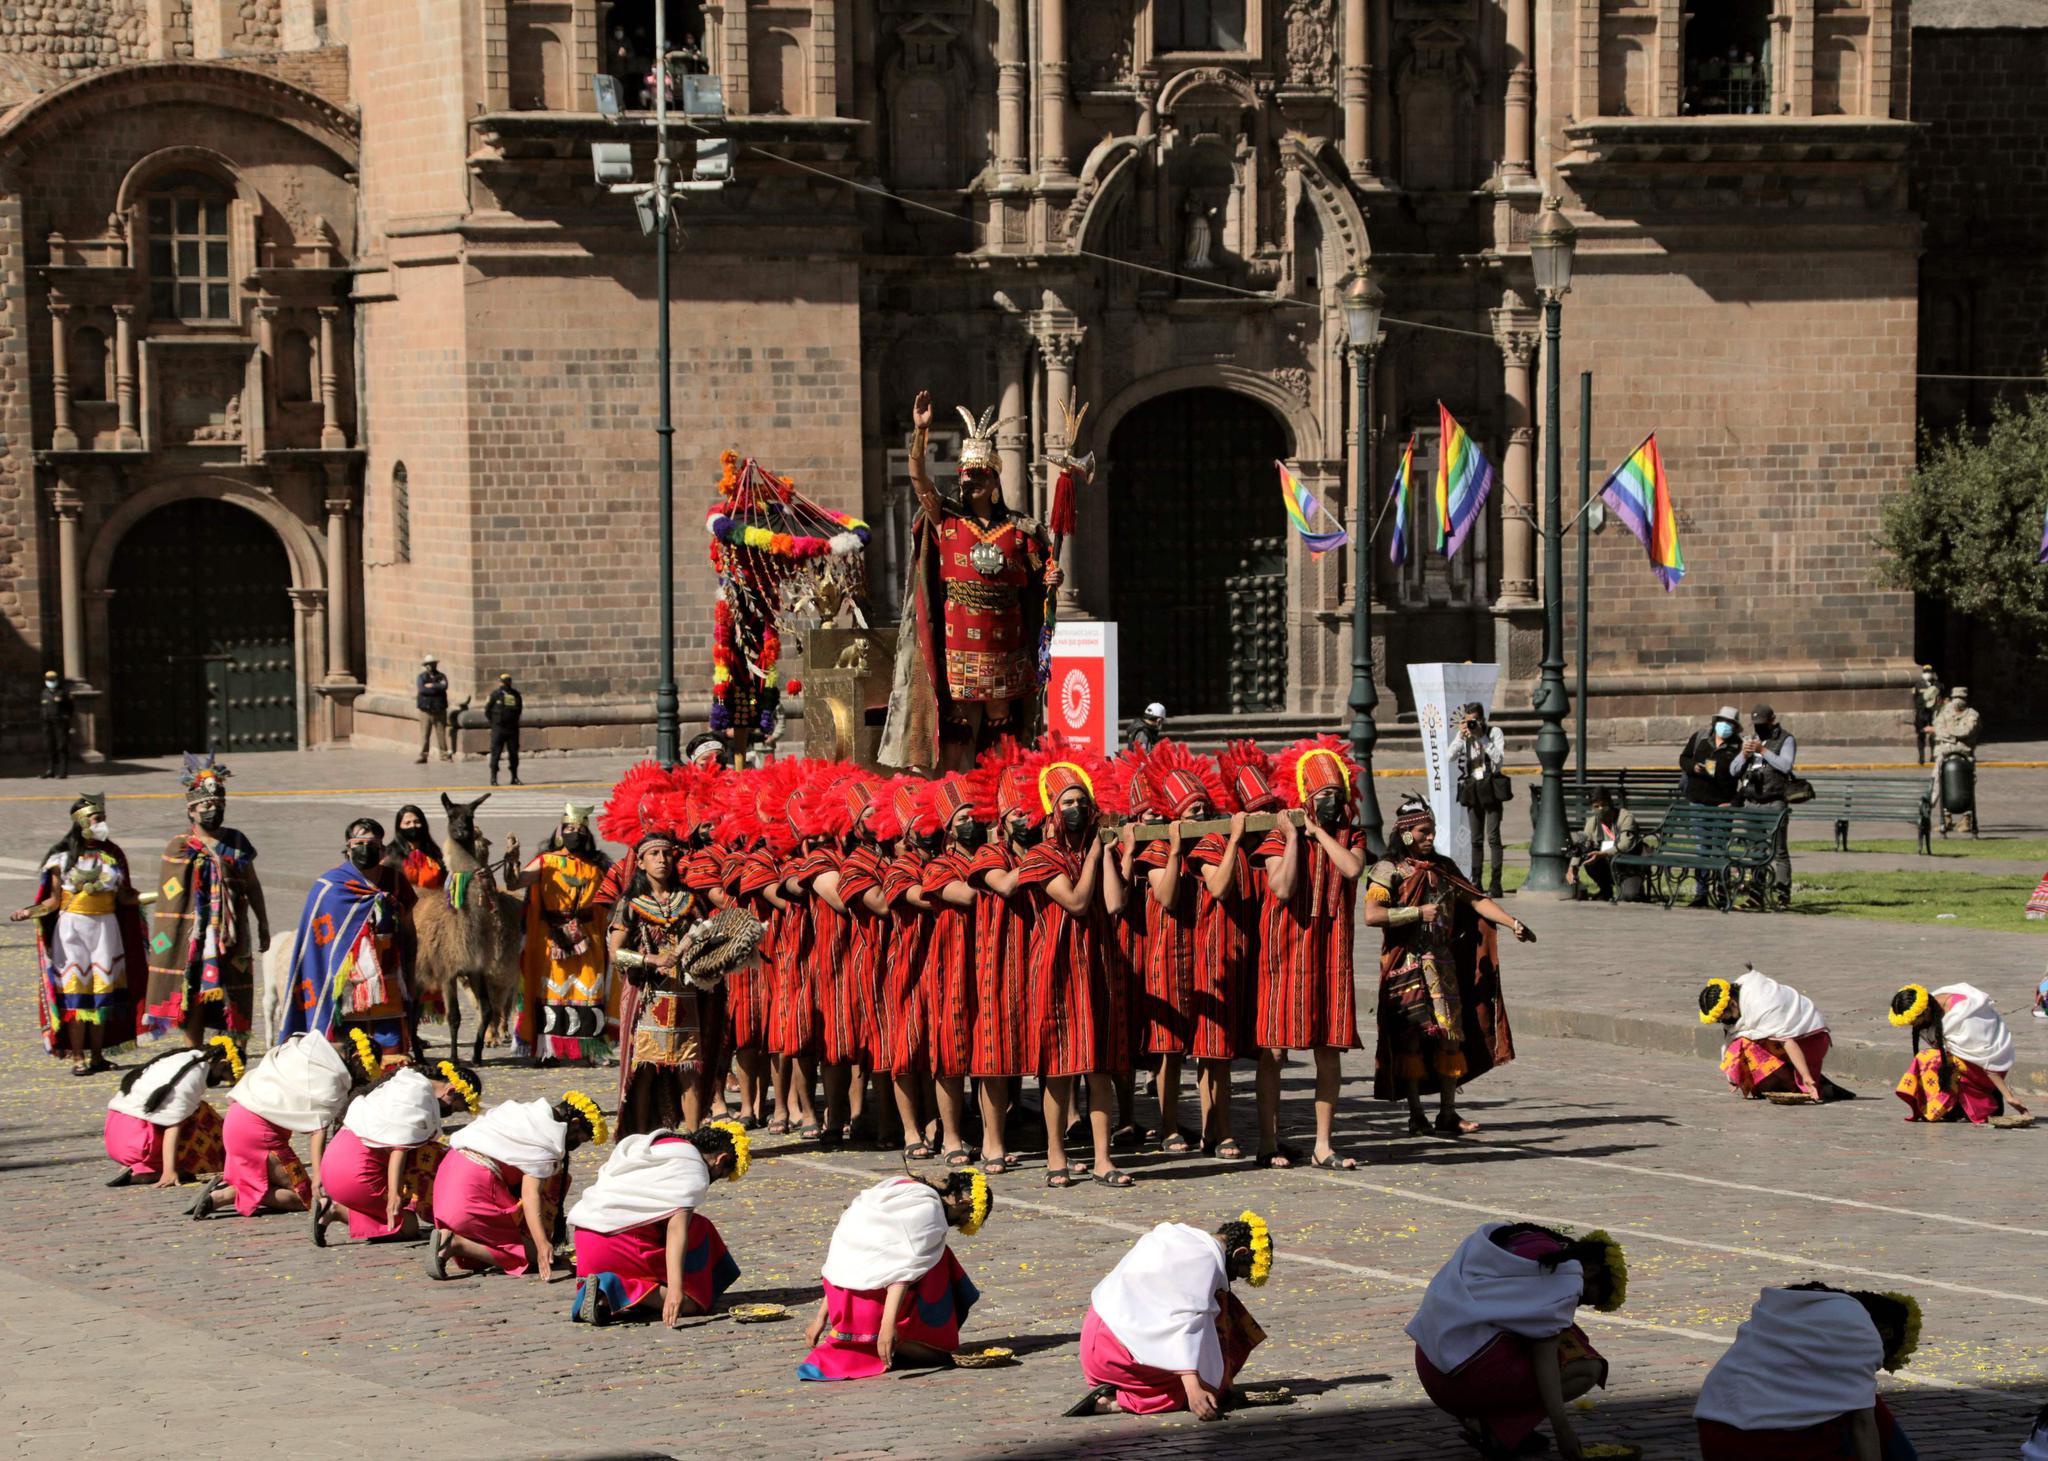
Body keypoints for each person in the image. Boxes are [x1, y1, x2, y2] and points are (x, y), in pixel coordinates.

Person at [878, 389, 1065, 772]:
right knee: (959, 734)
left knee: (1003, 739)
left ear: (995, 480)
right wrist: (920, 432)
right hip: (958, 642)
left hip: (1006, 647)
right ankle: (958, 811)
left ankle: (1001, 810)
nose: (969, 482)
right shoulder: (945, 519)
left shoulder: (1019, 532)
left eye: (978, 475)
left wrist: (1053, 576)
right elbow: (917, 478)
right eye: (964, 476)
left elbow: (1039, 577)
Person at [1367, 796, 1530, 1139]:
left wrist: (1511, 922)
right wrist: (1416, 913)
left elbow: (1475, 898)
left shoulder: (1444, 867)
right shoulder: (1387, 870)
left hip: (1443, 966)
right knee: (1410, 1042)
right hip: (1405, 965)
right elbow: (1373, 915)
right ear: (1407, 834)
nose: (1430, 837)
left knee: (1450, 1039)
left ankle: (1447, 1112)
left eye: (1433, 831)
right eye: (1424, 832)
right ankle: (1415, 1114)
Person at [1408, 1222, 1627, 1460]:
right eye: (1587, 1300)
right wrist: (1562, 1429)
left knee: (1568, 1333)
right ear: (1591, 1271)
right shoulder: (1566, 1277)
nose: (1580, 1304)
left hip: (1431, 1363)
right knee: (1587, 1367)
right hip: (1461, 1381)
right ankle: (1498, 1429)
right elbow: (1545, 1361)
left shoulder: (1516, 1239)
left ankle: (1500, 1427)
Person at [1017, 754, 1134, 1189]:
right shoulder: (1040, 856)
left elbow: (1115, 902)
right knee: (1061, 1068)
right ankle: (1056, 1156)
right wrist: (1094, 855)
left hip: (1097, 966)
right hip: (1056, 969)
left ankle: (1104, 1159)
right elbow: (1078, 901)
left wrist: (1102, 851)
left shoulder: (1097, 849)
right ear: (1052, 809)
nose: (1075, 809)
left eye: (1081, 802)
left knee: (1099, 1066)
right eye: (1067, 802)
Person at [1253, 739, 1370, 1169]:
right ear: (1305, 795)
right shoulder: (1275, 837)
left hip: (1331, 950)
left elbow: (1353, 868)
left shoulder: (1352, 834)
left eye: (1337, 794)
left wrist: (1319, 831)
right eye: (1323, 795)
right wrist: (1294, 838)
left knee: (1329, 1048)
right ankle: (1268, 1141)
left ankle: (1324, 1143)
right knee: (1275, 1050)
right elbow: (1281, 888)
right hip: (1285, 951)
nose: (1332, 801)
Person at [1070, 1211, 1272, 1420]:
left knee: (1226, 1304)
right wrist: (1194, 1389)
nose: (1234, 1279)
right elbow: (1182, 1323)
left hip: (1096, 1339)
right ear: (1239, 1253)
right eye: (1240, 1273)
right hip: (1114, 1354)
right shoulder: (1204, 1263)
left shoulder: (1183, 1236)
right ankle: (1116, 1402)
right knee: (1206, 1389)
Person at [796, 1171, 990, 1381]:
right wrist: (887, 1328)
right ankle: (896, 1341)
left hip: (843, 1304)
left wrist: (821, 1317)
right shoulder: (929, 1211)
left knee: (933, 1253)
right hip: (870, 1312)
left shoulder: (897, 1187)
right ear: (965, 1202)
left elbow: (847, 1261)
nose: (954, 1225)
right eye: (961, 1220)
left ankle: (871, 1337)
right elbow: (901, 1272)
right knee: (942, 1258)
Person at [1694, 1283, 1921, 1459]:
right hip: (1775, 1446)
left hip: (1716, 1434)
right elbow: (1863, 1425)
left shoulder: (1787, 1319)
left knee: (1863, 1397)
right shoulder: (1859, 1332)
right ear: (1885, 1333)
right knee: (1867, 1405)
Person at [142, 754, 269, 1047]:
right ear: (192, 810)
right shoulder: (179, 846)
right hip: (194, 936)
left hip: (233, 932)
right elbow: (170, 898)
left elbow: (251, 884)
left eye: (218, 804)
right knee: (194, 992)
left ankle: (231, 1057)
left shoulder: (237, 841)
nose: (213, 809)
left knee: (234, 991)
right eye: (206, 805)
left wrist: (262, 922)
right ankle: (194, 1052)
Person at [568, 1121, 747, 1327]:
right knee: (696, 1301)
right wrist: (675, 1290)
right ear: (720, 1159)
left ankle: (608, 1299)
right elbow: (676, 1230)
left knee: (696, 1225)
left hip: (587, 1242)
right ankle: (613, 1287)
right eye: (721, 1175)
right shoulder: (693, 1168)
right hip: (620, 1244)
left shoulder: (656, 1144)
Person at [17, 792, 148, 1074]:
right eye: (96, 818)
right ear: (81, 821)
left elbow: (125, 898)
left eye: (103, 818)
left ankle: (98, 1056)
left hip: (106, 928)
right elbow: (52, 901)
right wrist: (29, 911)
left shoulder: (113, 855)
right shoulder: (61, 857)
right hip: (72, 929)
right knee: (77, 993)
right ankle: (78, 1057)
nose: (102, 823)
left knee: (102, 993)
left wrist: (165, 896)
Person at [188, 1027, 376, 1220]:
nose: (361, 1076)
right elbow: (318, 1130)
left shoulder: (302, 1048)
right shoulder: (331, 1076)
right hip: (256, 1133)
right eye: (364, 1070)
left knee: (279, 1184)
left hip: (236, 1115)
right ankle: (228, 1194)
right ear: (356, 1058)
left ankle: (236, 1183)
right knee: (307, 1198)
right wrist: (318, 1177)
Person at [428, 1090, 603, 1279]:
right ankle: (454, 1243)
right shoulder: (545, 1139)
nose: (577, 1145)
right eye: (580, 1140)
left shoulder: (523, 1112)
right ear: (574, 1124)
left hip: (445, 1182)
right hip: (471, 1192)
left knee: (502, 1248)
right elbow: (531, 1195)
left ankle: (462, 1241)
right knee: (531, 1255)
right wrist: (542, 1243)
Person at [611, 829, 715, 1138]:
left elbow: (707, 942)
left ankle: (695, 1137)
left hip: (686, 998)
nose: (662, 860)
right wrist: (651, 960)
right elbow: (615, 953)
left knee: (690, 1068)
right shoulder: (631, 904)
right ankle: (641, 1138)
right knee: (643, 1069)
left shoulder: (691, 901)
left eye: (667, 854)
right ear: (641, 862)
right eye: (654, 854)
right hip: (648, 997)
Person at [963, 762, 1041, 1175]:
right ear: (1003, 821)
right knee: (994, 1056)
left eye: (1031, 812)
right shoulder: (989, 853)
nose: (1026, 821)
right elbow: (1007, 885)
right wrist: (1043, 857)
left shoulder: (1046, 848)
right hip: (999, 960)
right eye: (1018, 814)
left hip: (1041, 959)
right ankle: (993, 1141)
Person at [277, 818, 410, 1059]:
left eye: (371, 843)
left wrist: (413, 969)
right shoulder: (329, 886)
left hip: (388, 979)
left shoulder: (396, 881)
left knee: (391, 1046)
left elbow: (409, 928)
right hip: (346, 985)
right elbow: (318, 947)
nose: (365, 848)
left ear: (381, 847)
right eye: (359, 843)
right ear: (348, 848)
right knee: (349, 1051)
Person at [314, 1059, 482, 1245]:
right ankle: (334, 1210)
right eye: (454, 1107)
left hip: (333, 1161)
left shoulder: (400, 1084)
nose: (449, 1112)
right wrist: (394, 1195)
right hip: (357, 1173)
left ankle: (338, 1208)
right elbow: (399, 1147)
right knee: (408, 1227)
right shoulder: (418, 1094)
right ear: (451, 1090)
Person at [508, 804, 614, 1064]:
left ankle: (589, 1049)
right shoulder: (546, 862)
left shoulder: (598, 866)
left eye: (580, 829)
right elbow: (514, 882)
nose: (574, 833)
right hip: (550, 936)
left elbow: (615, 897)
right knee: (553, 989)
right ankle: (549, 1050)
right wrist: (511, 860)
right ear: (559, 831)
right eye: (569, 828)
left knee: (588, 987)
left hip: (589, 937)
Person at [918, 776, 980, 1166]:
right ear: (948, 828)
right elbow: (970, 895)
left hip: (993, 964)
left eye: (975, 815)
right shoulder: (939, 867)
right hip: (953, 967)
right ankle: (952, 1137)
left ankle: (992, 1135)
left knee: (991, 1054)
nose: (971, 823)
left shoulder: (994, 854)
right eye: (963, 817)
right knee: (952, 1054)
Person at [102, 1037, 239, 1187]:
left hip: (115, 1135)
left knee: (195, 1108)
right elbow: (173, 1123)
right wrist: (169, 1171)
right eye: (223, 1077)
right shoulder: (194, 1074)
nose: (219, 1082)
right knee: (203, 1116)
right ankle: (155, 1171)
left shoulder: (183, 1057)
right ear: (222, 1063)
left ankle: (142, 1167)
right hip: (137, 1142)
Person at [1699, 968, 1848, 1102]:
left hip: (1809, 1040)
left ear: (1732, 1004)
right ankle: (1790, 1082)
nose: (1725, 1021)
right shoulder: (1738, 1002)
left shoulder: (1762, 1004)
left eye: (1723, 1017)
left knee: (1747, 1047)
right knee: (1741, 1046)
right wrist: (1733, 1076)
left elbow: (1787, 1041)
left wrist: (1806, 1076)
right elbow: (1731, 1041)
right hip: (1781, 1042)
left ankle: (1800, 1085)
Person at [1891, 982, 2029, 1125]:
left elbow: (1986, 1059)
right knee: (1931, 1058)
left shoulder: (1966, 1018)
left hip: (1986, 1070)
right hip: (1967, 1062)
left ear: (1925, 1012)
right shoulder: (1933, 1005)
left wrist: (2009, 1096)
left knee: (1928, 1059)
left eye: (1914, 1022)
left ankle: (1979, 1103)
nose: (1913, 1026)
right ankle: (1951, 1106)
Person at [1731, 703, 1797, 908]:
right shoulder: (1752, 740)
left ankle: (1782, 896)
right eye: (1755, 724)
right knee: (1755, 851)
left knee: (1779, 851)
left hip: (1774, 802)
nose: (1758, 727)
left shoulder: (1786, 739)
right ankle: (1756, 896)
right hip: (1752, 802)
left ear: (1772, 720)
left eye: (1762, 723)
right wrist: (1744, 754)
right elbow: (1733, 771)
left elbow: (1785, 766)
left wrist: (1763, 750)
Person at [1680, 705, 1743, 907]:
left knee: (1720, 850)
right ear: (1716, 722)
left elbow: (1744, 778)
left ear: (1734, 727)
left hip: (1721, 804)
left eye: (1730, 724)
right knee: (1702, 849)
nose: (1725, 726)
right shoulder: (1700, 738)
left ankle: (1722, 892)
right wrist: (1693, 767)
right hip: (1698, 801)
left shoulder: (1738, 747)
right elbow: (1684, 759)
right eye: (1722, 722)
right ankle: (1701, 893)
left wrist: (1734, 802)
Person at [1451, 703, 1509, 899]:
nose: (1471, 724)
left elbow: (1498, 760)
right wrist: (1461, 735)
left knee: (1493, 838)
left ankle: (1496, 882)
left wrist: (1481, 737)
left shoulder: (1494, 733)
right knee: (1475, 840)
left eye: (1474, 720)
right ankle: (1476, 880)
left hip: (1491, 787)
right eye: (1468, 721)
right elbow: (1449, 756)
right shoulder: (1465, 735)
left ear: (1482, 719)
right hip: (1473, 788)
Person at [1570, 789, 1639, 903]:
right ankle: (1606, 890)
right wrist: (1573, 867)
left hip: (1629, 864)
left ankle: (1635, 886)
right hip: (1607, 862)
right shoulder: (1592, 822)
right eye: (1596, 806)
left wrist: (1602, 854)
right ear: (1592, 807)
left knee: (1629, 896)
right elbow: (1582, 845)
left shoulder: (1625, 817)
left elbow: (1625, 845)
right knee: (1588, 856)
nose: (1601, 809)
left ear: (1610, 804)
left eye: (1604, 805)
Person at [1930, 685, 1981, 835]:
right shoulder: (1944, 713)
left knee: (1967, 784)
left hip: (1965, 755)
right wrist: (1956, 738)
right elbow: (1938, 730)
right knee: (1938, 781)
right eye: (1955, 698)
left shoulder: (1972, 714)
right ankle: (1944, 817)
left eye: (1961, 698)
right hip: (1944, 753)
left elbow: (1967, 731)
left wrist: (1949, 735)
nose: (1957, 701)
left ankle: (1967, 819)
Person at [486, 672, 524, 786]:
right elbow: (487, 711)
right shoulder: (495, 695)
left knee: (513, 754)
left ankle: (514, 777)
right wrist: (495, 723)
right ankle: (493, 778)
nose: (506, 683)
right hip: (499, 728)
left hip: (512, 729)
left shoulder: (515, 695)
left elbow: (519, 710)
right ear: (500, 682)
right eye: (504, 681)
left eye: (508, 681)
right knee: (496, 754)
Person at [415, 655, 452, 764]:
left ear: (435, 664)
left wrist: (432, 686)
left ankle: (444, 754)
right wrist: (436, 688)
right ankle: (423, 755)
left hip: (439, 708)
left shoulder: (441, 676)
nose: (430, 666)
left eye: (432, 664)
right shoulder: (421, 677)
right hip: (425, 709)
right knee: (425, 734)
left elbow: (444, 686)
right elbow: (422, 690)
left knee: (441, 733)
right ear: (425, 666)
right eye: (428, 664)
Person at [39, 669, 72, 779]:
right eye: (49, 680)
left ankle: (63, 771)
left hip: (60, 723)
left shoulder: (62, 692)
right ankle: (50, 770)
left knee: (61, 746)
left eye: (52, 680)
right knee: (49, 746)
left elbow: (70, 707)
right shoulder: (44, 693)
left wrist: (67, 718)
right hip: (47, 723)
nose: (51, 681)